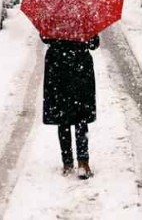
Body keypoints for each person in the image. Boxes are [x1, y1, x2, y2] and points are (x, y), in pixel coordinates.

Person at [41, 34, 100, 179]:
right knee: (81, 117)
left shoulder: (53, 16)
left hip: (57, 69)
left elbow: (45, 38)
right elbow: (94, 44)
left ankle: (67, 162)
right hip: (80, 70)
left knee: (63, 118)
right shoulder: (84, 18)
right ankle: (83, 162)